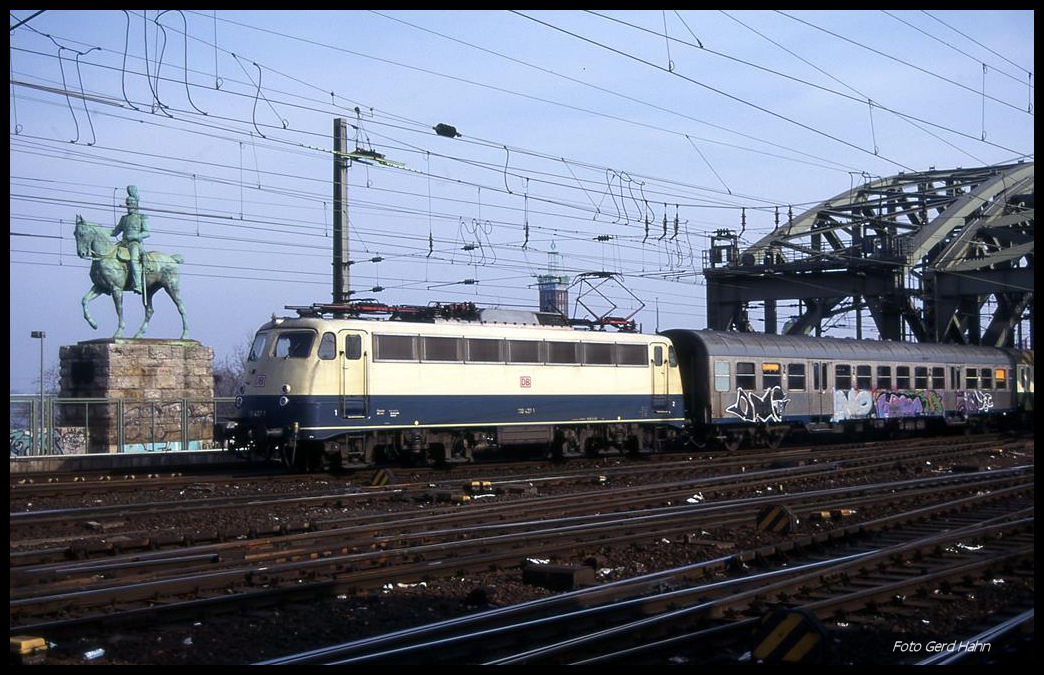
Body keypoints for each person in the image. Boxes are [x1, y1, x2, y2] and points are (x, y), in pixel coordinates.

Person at [111, 185, 151, 293]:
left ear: (135, 204)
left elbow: (147, 232)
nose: (128, 206)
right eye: (127, 204)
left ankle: (138, 284)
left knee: (134, 261)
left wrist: (135, 236)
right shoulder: (124, 218)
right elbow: (115, 232)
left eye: (130, 204)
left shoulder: (142, 217)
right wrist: (100, 231)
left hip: (135, 244)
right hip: (123, 243)